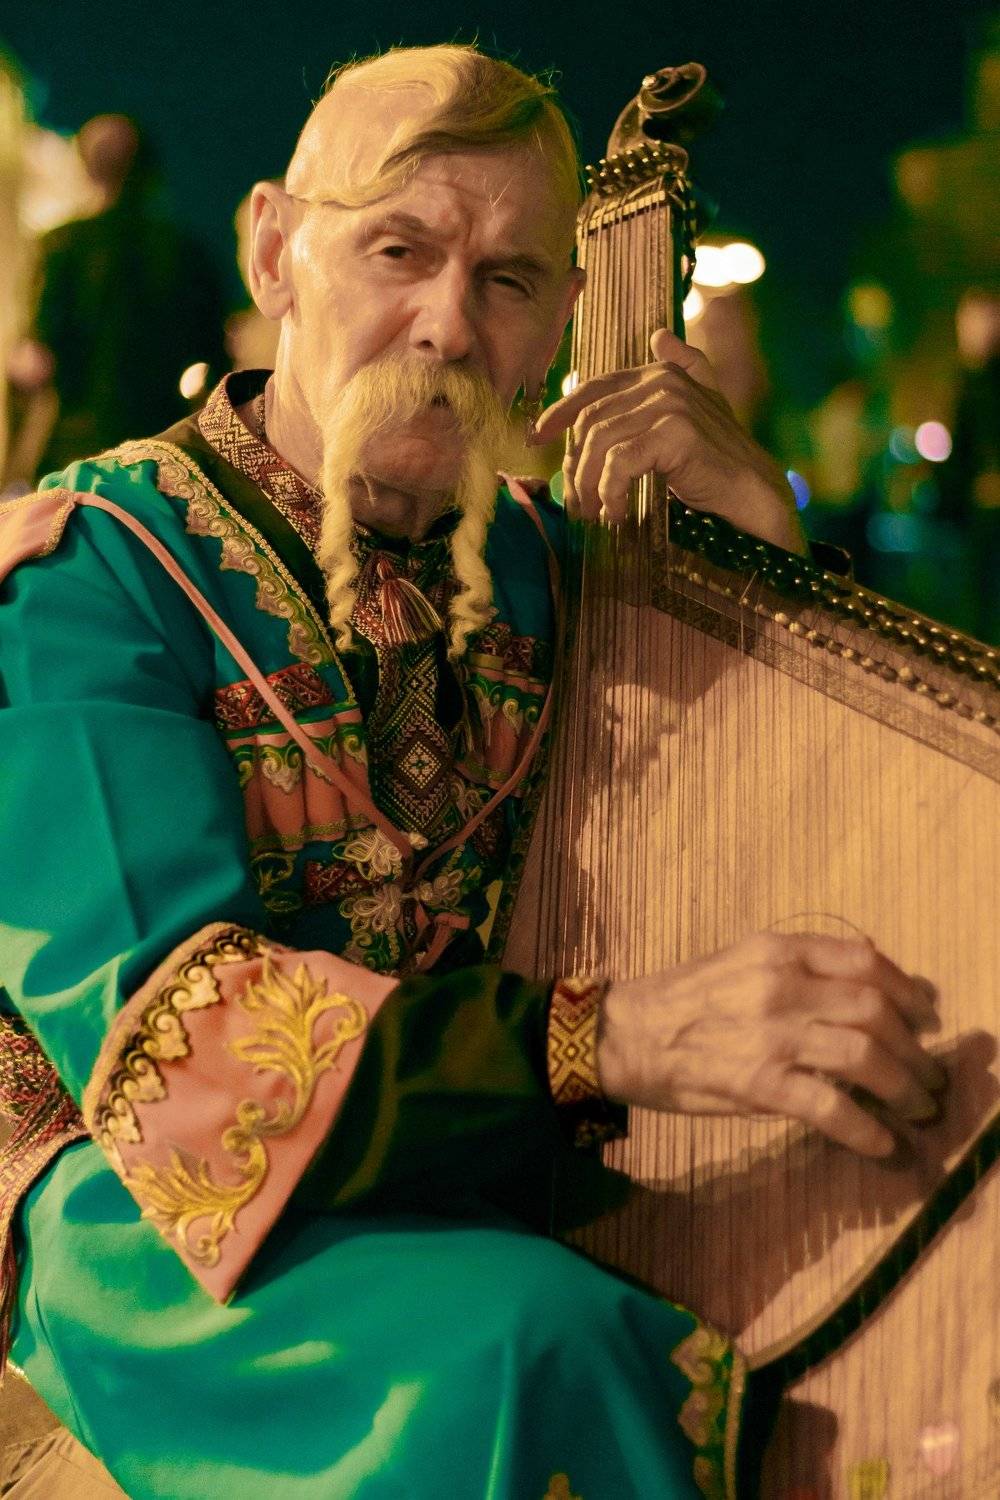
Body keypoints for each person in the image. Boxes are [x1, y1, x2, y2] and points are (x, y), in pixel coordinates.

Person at [0, 44, 945, 1500]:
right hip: (136, 1202)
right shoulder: (90, 573)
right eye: (399, 250)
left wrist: (761, 544)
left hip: (476, 1146)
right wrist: (611, 1042)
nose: (448, 323)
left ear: (560, 320)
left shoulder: (556, 569)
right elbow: (174, 1050)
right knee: (530, 1344)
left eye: (508, 279)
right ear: (273, 251)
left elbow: (781, 808)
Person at [13, 113, 227, 479]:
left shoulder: (60, 246)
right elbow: (214, 357)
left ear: (84, 168)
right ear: (150, 171)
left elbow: (36, 360)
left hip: (74, 447)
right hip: (163, 442)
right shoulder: (187, 252)